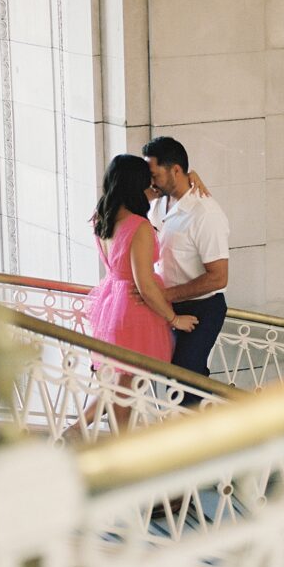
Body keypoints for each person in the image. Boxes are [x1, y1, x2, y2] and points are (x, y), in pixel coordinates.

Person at [76, 154, 198, 434]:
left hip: (111, 303)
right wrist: (173, 319)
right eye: (148, 182)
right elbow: (144, 284)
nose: (153, 187)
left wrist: (189, 180)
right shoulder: (138, 227)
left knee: (118, 383)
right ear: (136, 185)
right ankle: (114, 445)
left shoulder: (102, 218)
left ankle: (76, 429)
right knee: (126, 387)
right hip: (133, 309)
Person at [143, 137, 229, 404]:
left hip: (201, 309)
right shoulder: (156, 203)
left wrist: (167, 294)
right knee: (169, 376)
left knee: (184, 381)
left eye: (155, 175)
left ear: (175, 170)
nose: (151, 182)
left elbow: (219, 277)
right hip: (165, 306)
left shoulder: (205, 213)